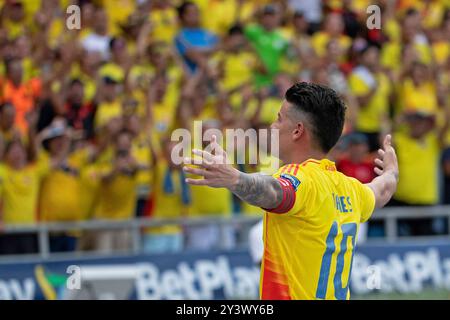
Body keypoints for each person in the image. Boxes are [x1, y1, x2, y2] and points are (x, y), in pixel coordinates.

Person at [183, 82, 399, 300]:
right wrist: (391, 171)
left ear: (297, 130)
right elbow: (382, 190)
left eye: (278, 119)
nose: (272, 127)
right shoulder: (350, 188)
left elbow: (275, 192)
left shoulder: (300, 178)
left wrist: (234, 178)